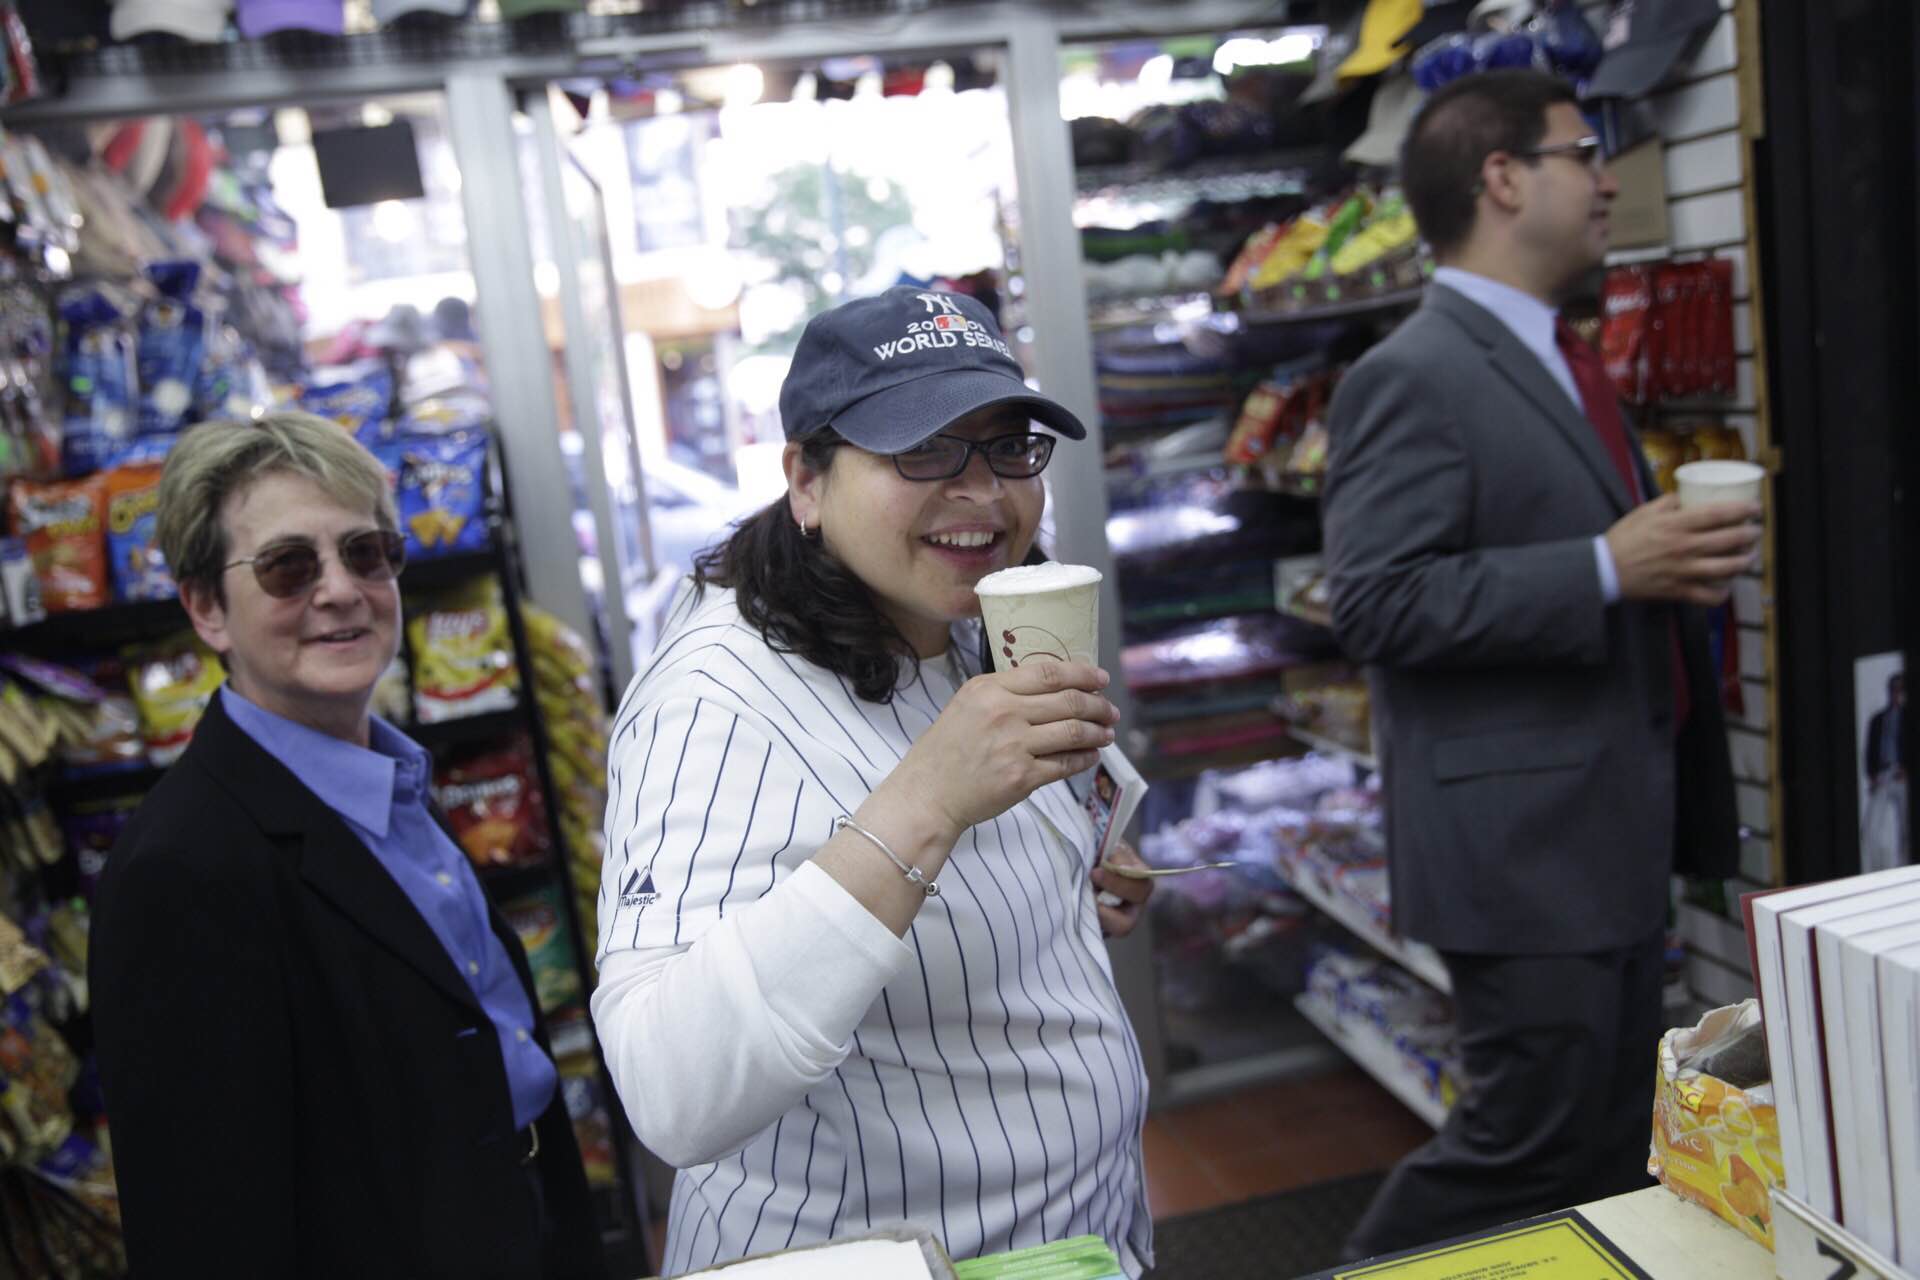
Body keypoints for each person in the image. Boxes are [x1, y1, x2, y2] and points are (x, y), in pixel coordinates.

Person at [591, 287, 1156, 1276]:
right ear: (805, 480)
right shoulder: (716, 698)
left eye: (1009, 446)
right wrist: (926, 798)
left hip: (1072, 1239)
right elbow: (670, 1085)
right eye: (923, 448)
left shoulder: (965, 614)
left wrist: (1064, 879)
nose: (983, 493)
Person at [1321, 70, 1757, 1257]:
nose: (1608, 173)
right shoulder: (1413, 371)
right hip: (1524, 854)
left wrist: (1652, 564)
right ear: (1503, 178)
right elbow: (1374, 600)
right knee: (1527, 1133)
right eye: (1582, 150)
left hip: (1597, 824)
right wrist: (1608, 567)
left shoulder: (1558, 353)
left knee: (1603, 1133)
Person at [89, 412, 603, 1279]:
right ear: (207, 608)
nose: (340, 589)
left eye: (366, 553)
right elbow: (205, 1228)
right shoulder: (180, 870)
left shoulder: (394, 784)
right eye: (290, 566)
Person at [1862, 672, 1908, 872]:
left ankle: (1908, 869)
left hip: (1903, 776)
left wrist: (1907, 770)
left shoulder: (1910, 717)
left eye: (1900, 689)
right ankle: (1876, 871)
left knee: (1907, 827)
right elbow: (1869, 750)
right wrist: (1872, 776)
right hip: (1883, 776)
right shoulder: (1878, 719)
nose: (1896, 694)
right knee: (1870, 829)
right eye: (1894, 689)